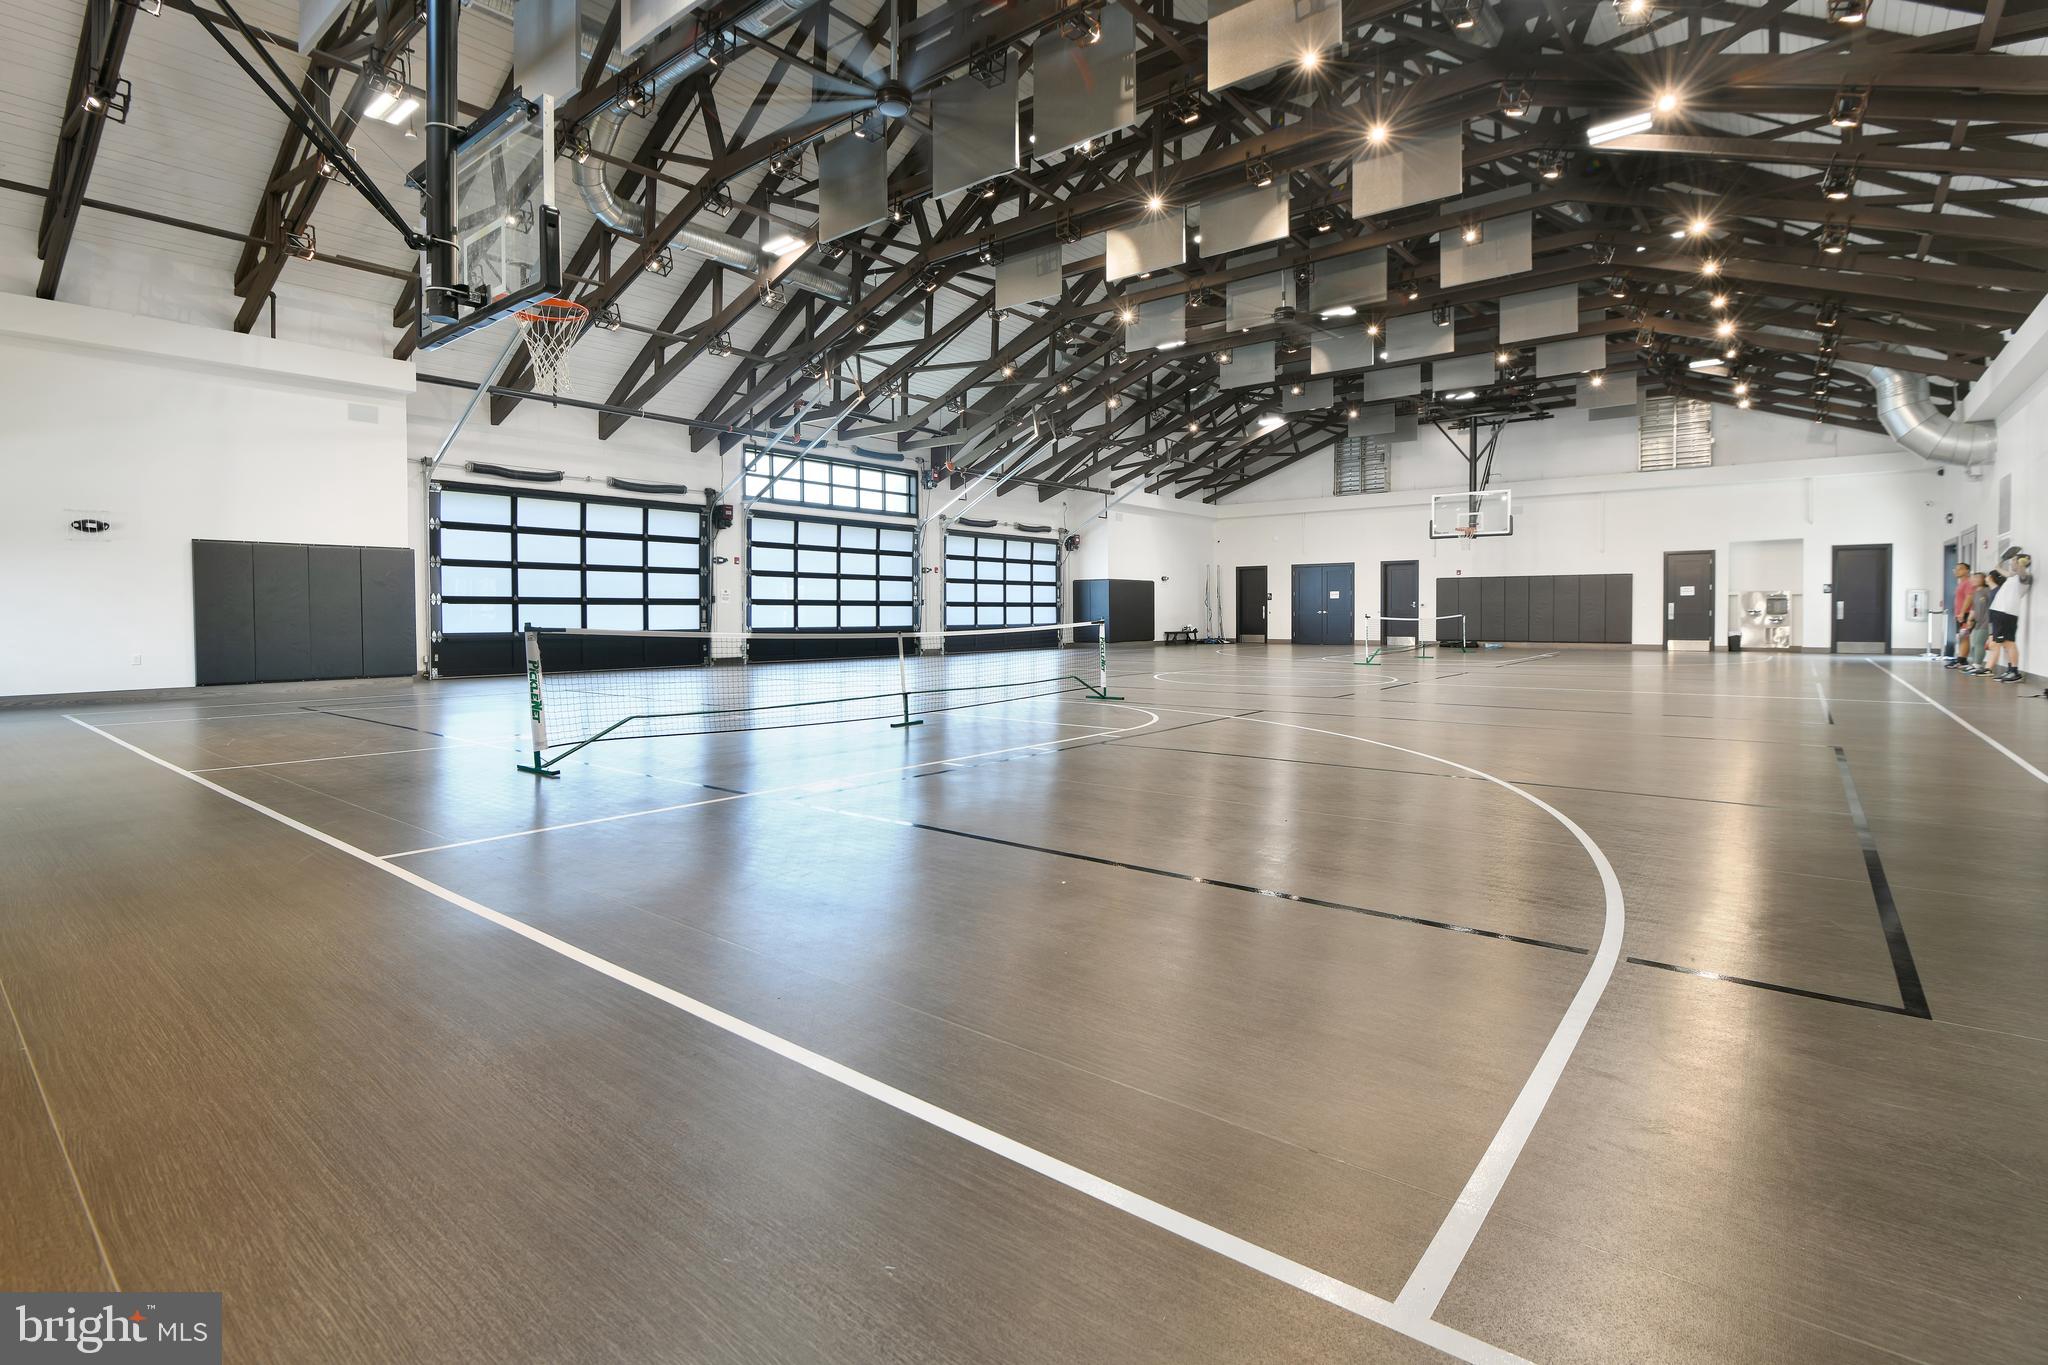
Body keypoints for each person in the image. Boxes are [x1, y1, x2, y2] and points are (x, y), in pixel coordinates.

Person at [1986, 550, 2032, 682]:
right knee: (2004, 644)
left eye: (2014, 561)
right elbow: (1998, 568)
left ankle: (2014, 672)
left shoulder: (2024, 577)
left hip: (2006, 613)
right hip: (1999, 613)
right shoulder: (2012, 577)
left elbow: (2021, 571)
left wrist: (2021, 563)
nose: (2012, 563)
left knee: (2008, 643)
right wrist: (2003, 559)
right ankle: (2010, 669)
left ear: (2021, 563)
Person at [1962, 572, 1994, 675]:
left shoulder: (1987, 591)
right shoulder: (1975, 592)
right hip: (1977, 622)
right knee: (1974, 644)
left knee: (1979, 643)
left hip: (1986, 622)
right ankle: (1974, 663)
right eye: (1973, 578)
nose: (1974, 579)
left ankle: (1978, 664)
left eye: (1977, 578)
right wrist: (1969, 619)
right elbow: (1974, 608)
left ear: (1984, 579)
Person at [1946, 560, 1974, 668]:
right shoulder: (1961, 583)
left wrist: (1962, 612)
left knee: (1964, 637)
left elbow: (1969, 597)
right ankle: (1961, 659)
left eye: (1960, 569)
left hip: (1965, 614)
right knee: (1962, 637)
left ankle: (1962, 660)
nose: (1957, 571)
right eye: (1956, 569)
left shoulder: (1968, 583)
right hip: (1960, 614)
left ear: (1967, 571)